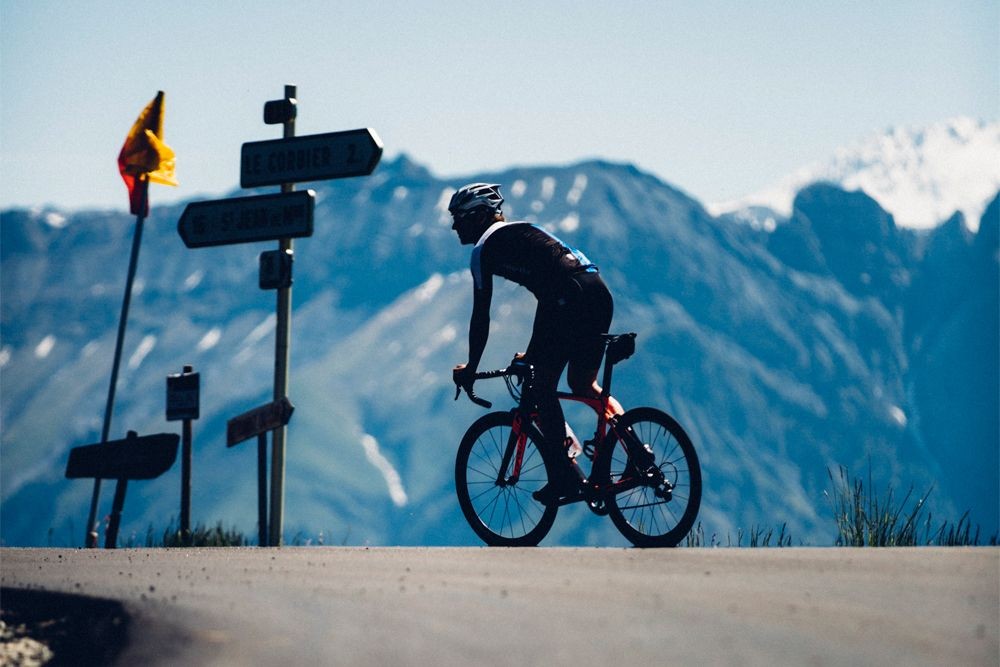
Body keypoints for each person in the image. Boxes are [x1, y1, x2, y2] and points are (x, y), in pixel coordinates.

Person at [449, 182, 623, 505]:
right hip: (596, 292)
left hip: (568, 296)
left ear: (478, 216)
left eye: (458, 217)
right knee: (582, 384)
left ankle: (563, 477)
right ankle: (632, 447)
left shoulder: (484, 250)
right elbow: (549, 297)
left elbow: (480, 317)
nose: (454, 225)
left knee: (542, 386)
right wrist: (532, 352)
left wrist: (472, 367)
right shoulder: (524, 231)